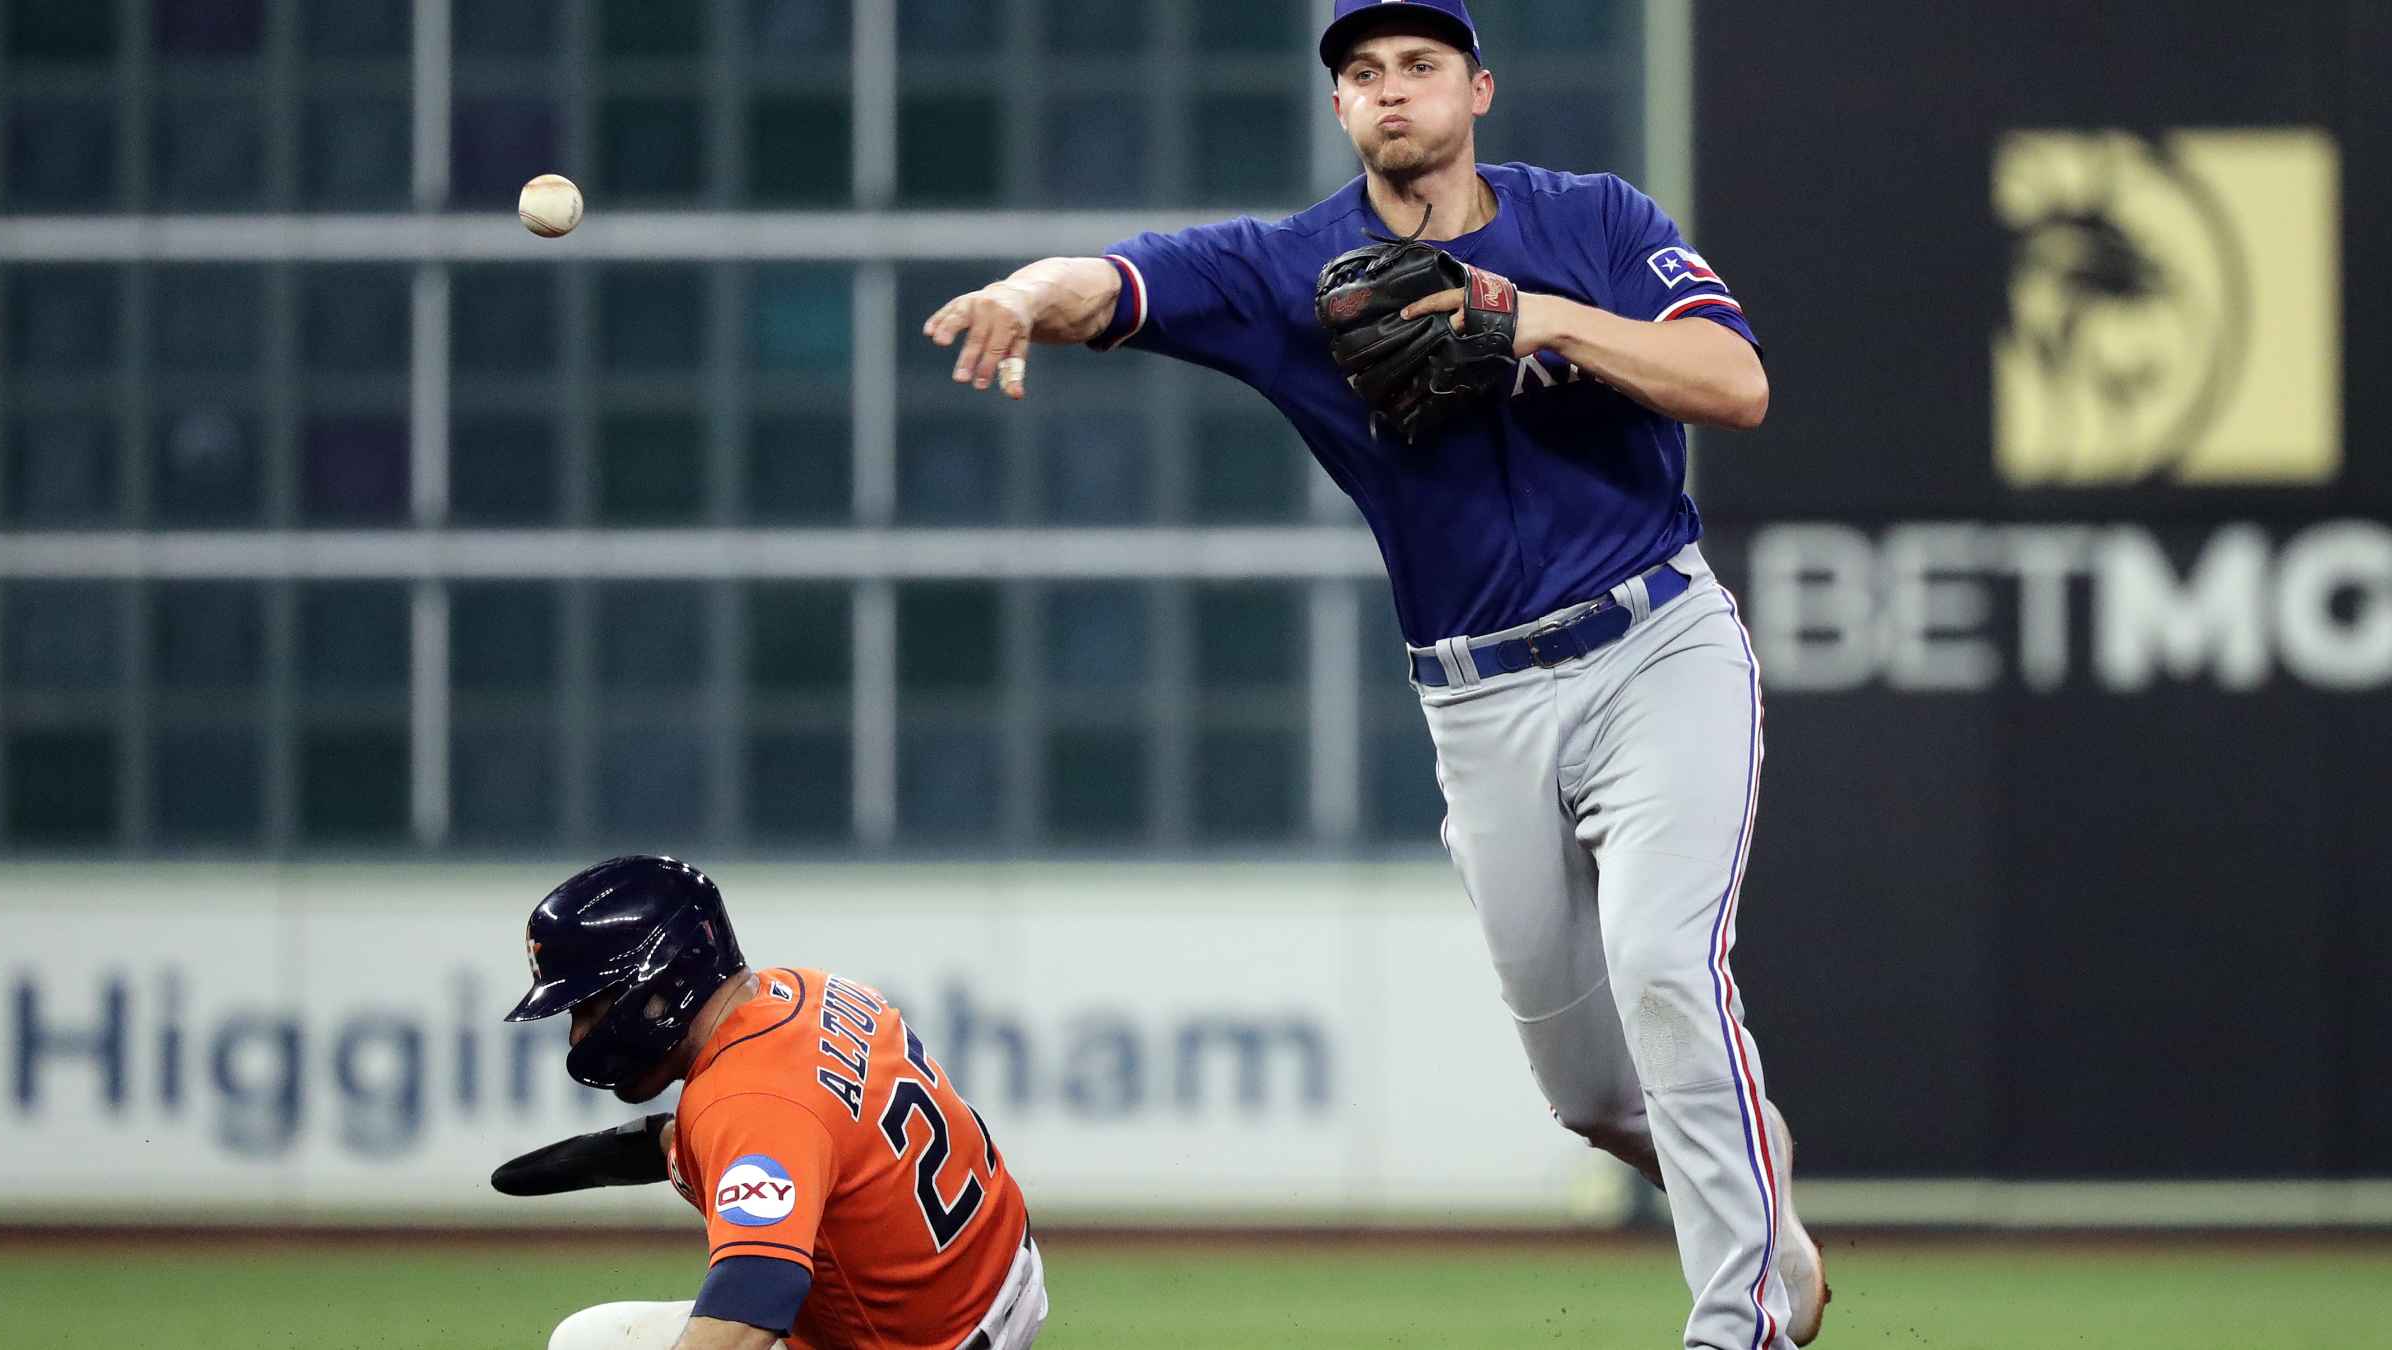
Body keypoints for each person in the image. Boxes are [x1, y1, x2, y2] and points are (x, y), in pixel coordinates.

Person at [921, 3, 1825, 1346]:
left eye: (1418, 66)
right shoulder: (1290, 267)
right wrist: (1017, 297)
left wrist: (1535, 319)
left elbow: (1735, 381)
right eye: (1362, 74)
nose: (1391, 90)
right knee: (1588, 1093)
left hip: (1654, 649)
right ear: (1341, 110)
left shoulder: (1595, 218)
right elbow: (1112, 279)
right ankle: (1763, 1209)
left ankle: (1738, 1316)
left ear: (1479, 88)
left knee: (1663, 966)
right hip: (1477, 700)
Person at [494, 855, 1044, 1350]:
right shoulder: (804, 992)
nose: (579, 1036)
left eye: (589, 1007)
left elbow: (753, 1300)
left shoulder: (746, 1102)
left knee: (586, 1344)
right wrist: (630, 1150)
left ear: (662, 986)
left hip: (927, 1342)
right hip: (993, 1278)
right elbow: (797, 1134)